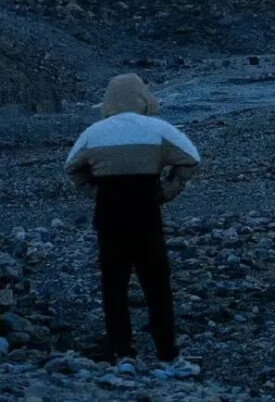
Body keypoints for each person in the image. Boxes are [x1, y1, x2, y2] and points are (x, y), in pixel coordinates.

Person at [65, 72, 200, 370]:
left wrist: (94, 192)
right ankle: (167, 354)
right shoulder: (157, 129)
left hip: (109, 217)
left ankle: (123, 353)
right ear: (142, 96)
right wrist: (169, 190)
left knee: (114, 285)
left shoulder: (94, 133)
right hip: (146, 216)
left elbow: (72, 167)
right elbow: (191, 157)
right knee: (157, 285)